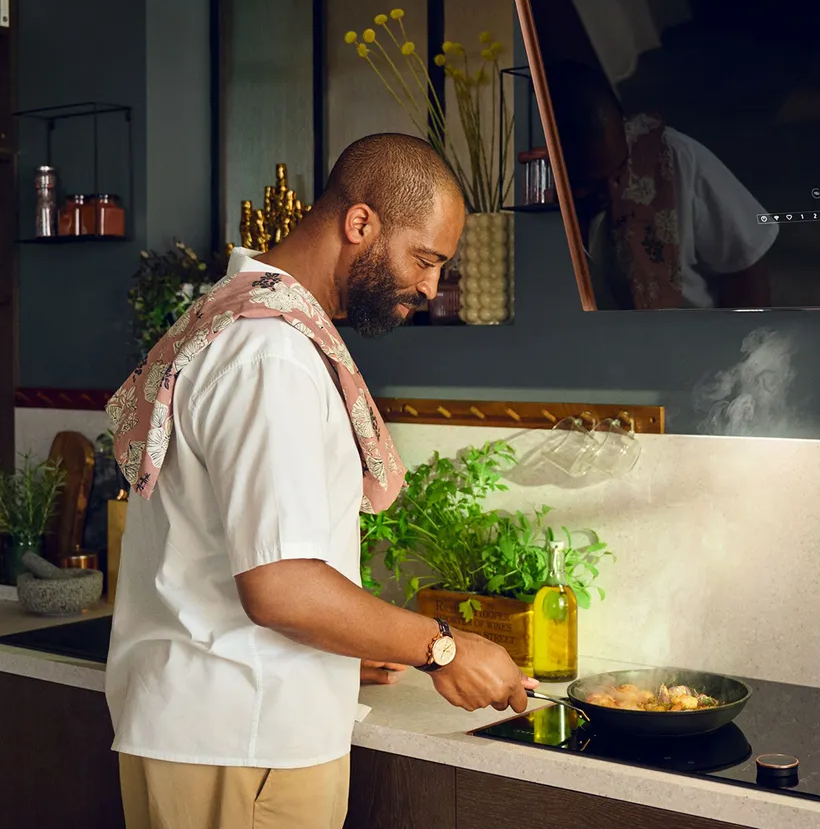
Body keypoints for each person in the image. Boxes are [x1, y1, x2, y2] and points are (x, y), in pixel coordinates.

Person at [104, 133, 536, 829]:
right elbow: (282, 586)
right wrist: (443, 646)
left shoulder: (236, 317)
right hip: (244, 740)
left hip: (224, 731)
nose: (430, 287)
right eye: (425, 258)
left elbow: (238, 556)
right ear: (359, 224)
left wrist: (353, 644)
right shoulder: (270, 356)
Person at [545, 59, 777, 310]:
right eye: (587, 184)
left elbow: (744, 265)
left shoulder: (675, 158)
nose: (613, 190)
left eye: (620, 170)